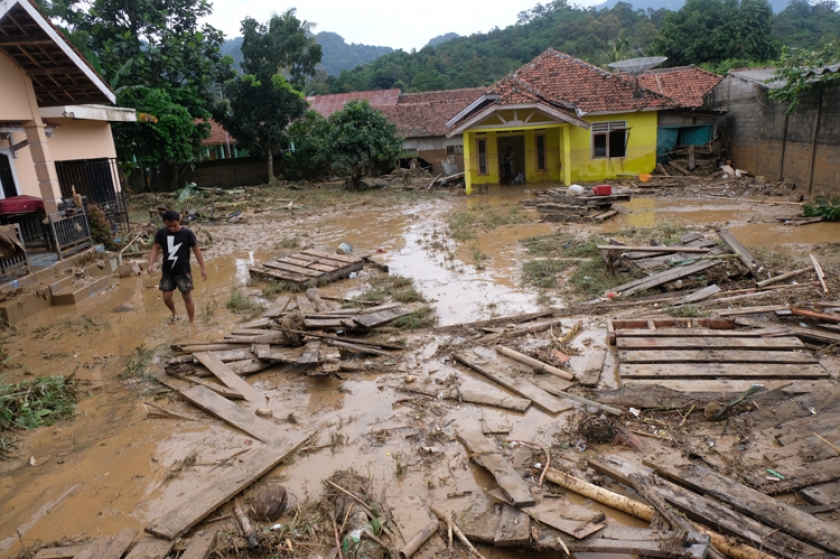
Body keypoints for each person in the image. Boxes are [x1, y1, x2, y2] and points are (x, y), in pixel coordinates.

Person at [148, 210, 207, 323]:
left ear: (179, 221)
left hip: (183, 271)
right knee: (166, 298)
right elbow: (155, 248)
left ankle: (191, 322)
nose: (172, 228)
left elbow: (196, 250)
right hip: (167, 271)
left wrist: (203, 268)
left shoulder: (187, 233)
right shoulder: (161, 233)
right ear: (165, 223)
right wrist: (151, 264)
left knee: (187, 297)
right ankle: (174, 313)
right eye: (168, 226)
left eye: (174, 225)